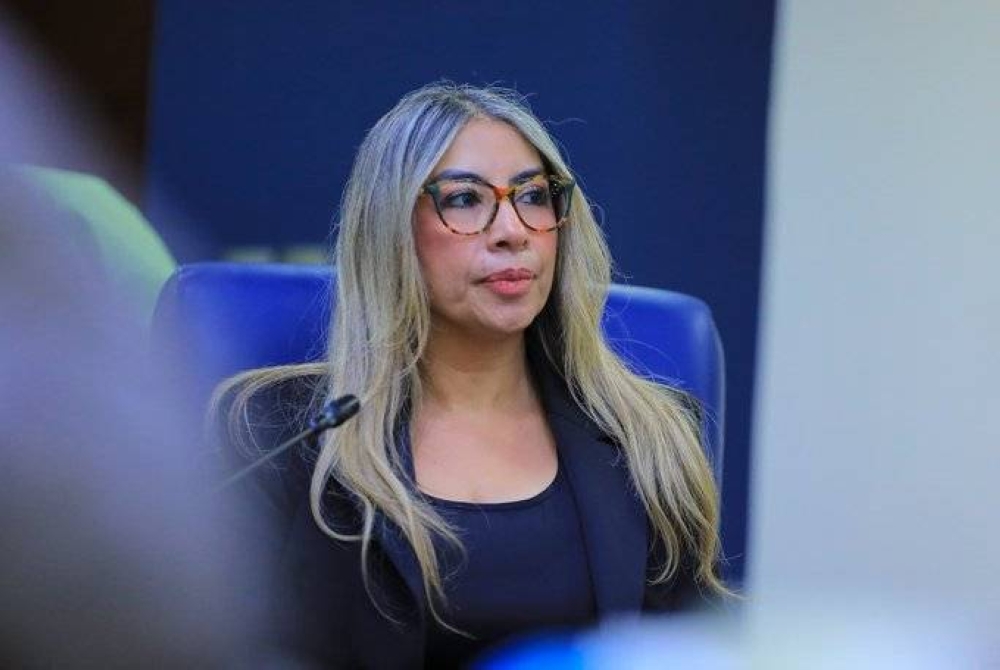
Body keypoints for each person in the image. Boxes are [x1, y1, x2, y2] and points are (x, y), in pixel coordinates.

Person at [214, 82, 729, 669]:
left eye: (533, 196)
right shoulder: (274, 433)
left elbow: (692, 652)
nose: (513, 230)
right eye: (464, 199)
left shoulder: (651, 436)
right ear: (391, 229)